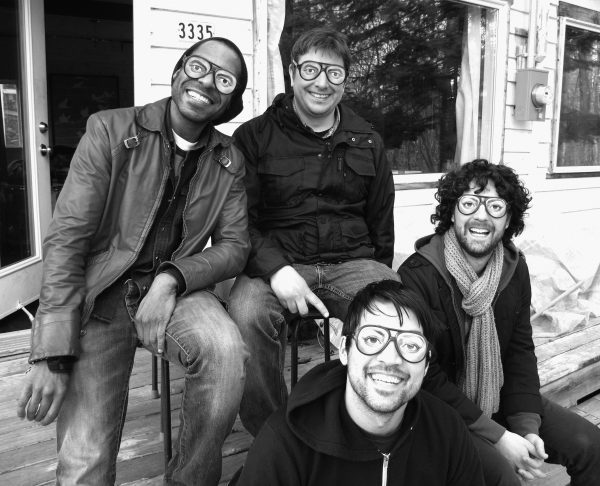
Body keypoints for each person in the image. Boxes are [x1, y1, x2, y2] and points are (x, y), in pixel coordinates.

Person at [16, 37, 251, 486]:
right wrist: (51, 353)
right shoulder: (110, 130)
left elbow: (235, 246)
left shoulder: (228, 160)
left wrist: (172, 278)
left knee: (225, 352)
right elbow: (68, 239)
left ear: (230, 99)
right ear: (179, 71)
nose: (207, 82)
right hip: (102, 297)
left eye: (224, 79)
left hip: (178, 292)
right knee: (84, 462)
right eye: (198, 67)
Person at [229, 26, 399, 437]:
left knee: (400, 311)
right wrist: (275, 269)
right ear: (292, 72)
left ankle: (366, 424)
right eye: (310, 69)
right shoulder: (253, 137)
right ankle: (274, 435)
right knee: (247, 316)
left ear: (345, 80)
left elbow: (381, 219)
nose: (322, 83)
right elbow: (239, 220)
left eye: (334, 73)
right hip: (276, 264)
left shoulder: (367, 140)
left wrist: (377, 276)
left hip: (352, 263)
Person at [397, 159, 600, 486]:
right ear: (452, 213)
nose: (481, 215)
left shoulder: (513, 268)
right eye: (469, 203)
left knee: (591, 447)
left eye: (495, 206)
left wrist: (527, 427)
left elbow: (519, 351)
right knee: (502, 477)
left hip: (498, 396)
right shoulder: (418, 276)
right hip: (436, 411)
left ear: (508, 220)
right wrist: (498, 437)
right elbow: (424, 377)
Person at [230, 280, 484, 486]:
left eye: (410, 345)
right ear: (344, 350)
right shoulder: (284, 445)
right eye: (373, 339)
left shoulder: (448, 433)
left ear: (426, 364)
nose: (391, 358)